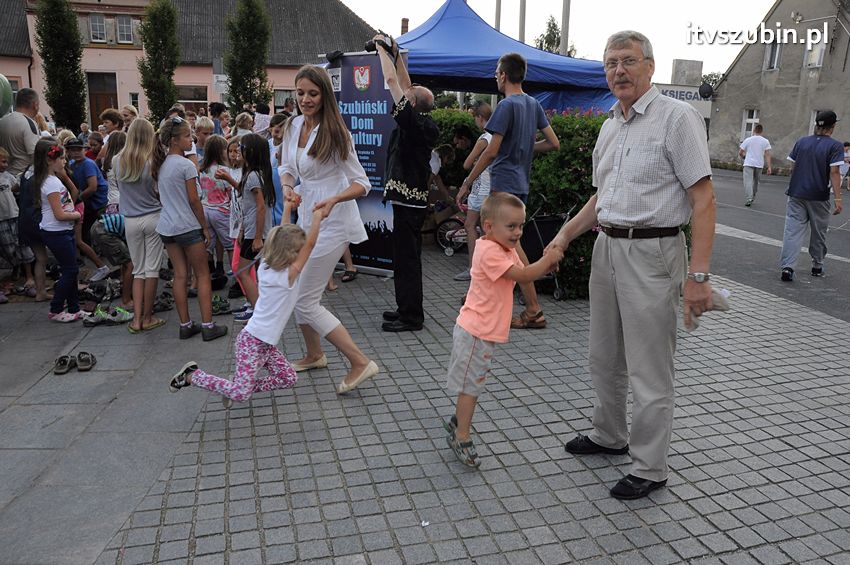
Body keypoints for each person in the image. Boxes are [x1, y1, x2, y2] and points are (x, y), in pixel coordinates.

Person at [547, 30, 716, 500]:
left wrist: (698, 277)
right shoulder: (610, 126)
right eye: (610, 63)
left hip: (654, 252)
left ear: (650, 67)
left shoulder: (676, 119)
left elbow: (703, 199)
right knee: (604, 355)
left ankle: (650, 466)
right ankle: (609, 435)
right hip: (608, 248)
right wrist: (564, 235)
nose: (618, 71)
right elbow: (603, 197)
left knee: (649, 367)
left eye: (628, 61)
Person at [443, 193, 563, 467]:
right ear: (488, 227)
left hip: (482, 332)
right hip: (475, 333)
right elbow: (524, 276)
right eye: (511, 227)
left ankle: (458, 421)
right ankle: (461, 435)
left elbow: (528, 270)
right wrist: (550, 258)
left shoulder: (503, 249)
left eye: (520, 226)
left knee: (472, 384)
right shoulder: (488, 252)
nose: (518, 232)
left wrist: (546, 262)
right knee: (471, 387)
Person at [279, 65, 379, 394]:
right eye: (300, 93)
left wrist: (335, 198)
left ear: (324, 96)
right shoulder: (293, 125)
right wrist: (288, 187)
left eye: (312, 93)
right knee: (296, 290)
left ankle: (360, 361)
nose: (305, 99)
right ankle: (314, 353)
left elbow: (361, 183)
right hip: (307, 215)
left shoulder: (336, 132)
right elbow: (288, 168)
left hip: (333, 222)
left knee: (306, 301)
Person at [169, 210, 324, 407]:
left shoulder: (266, 266)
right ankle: (192, 376)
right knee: (241, 395)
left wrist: (287, 206)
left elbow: (281, 235)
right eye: (298, 251)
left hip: (265, 343)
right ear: (290, 254)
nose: (302, 255)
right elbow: (309, 246)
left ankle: (233, 385)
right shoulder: (285, 278)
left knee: (288, 378)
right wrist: (318, 219)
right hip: (253, 342)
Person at [461, 53, 561, 330]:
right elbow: (554, 143)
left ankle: (533, 308)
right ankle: (501, 301)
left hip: (503, 185)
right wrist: (528, 148)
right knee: (507, 248)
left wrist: (468, 181)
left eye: (496, 73)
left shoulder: (505, 106)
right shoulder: (533, 104)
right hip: (522, 186)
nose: (495, 77)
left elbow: (491, 151)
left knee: (510, 249)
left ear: (504, 75)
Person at [373, 33, 440, 332]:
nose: (405, 91)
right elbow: (403, 81)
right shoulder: (421, 120)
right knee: (404, 257)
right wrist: (397, 53)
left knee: (408, 259)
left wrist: (380, 50)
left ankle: (412, 316)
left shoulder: (415, 122)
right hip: (409, 200)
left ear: (413, 104)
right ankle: (405, 308)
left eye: (409, 94)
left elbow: (391, 82)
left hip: (409, 201)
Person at [154, 117, 227, 341]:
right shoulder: (186, 165)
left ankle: (185, 324)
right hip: (187, 225)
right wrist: (205, 228)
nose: (191, 139)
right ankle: (207, 324)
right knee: (203, 274)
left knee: (180, 275)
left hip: (167, 225)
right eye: (187, 136)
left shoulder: (161, 164)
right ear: (175, 140)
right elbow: (195, 200)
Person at [114, 118, 166, 333]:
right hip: (153, 217)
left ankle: (136, 319)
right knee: (152, 269)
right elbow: (158, 191)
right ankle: (147, 317)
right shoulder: (152, 161)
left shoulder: (117, 160)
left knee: (138, 270)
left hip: (130, 219)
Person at [779, 110, 844, 281]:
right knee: (818, 231)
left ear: (816, 124)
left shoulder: (801, 142)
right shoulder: (835, 146)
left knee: (792, 231)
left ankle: (787, 267)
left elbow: (792, 167)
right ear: (832, 126)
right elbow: (835, 172)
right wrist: (838, 198)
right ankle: (817, 265)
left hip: (796, 193)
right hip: (818, 195)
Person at [35, 140, 85, 322]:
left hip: (61, 231)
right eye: (62, 158)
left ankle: (74, 308)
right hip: (56, 231)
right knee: (70, 271)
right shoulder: (50, 184)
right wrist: (76, 215)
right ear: (50, 160)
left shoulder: (53, 180)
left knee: (70, 270)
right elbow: (59, 214)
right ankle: (55, 309)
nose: (65, 161)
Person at [233, 133, 275, 322]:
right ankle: (257, 307)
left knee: (242, 272)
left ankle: (258, 312)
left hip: (256, 233)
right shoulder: (254, 175)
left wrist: (257, 237)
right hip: (252, 231)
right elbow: (249, 207)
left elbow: (260, 207)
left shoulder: (253, 177)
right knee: (256, 271)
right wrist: (243, 229)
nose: (237, 151)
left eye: (241, 147)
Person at [454, 102, 493, 281]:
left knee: (470, 225)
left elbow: (467, 164)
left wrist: (476, 158)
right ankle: (487, 268)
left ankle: (472, 267)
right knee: (487, 231)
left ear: (480, 117)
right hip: (492, 187)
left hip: (479, 187)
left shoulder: (484, 138)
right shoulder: (498, 137)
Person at [0, 147, 36, 301]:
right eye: (2, 161)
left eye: (6, 161)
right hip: (1, 218)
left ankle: (29, 276)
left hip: (14, 215)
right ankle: (16, 267)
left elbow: (17, 188)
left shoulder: (8, 177)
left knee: (23, 245)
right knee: (8, 247)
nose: (5, 164)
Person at [198, 135, 234, 279]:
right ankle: (238, 278)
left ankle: (203, 276)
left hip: (205, 209)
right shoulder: (224, 171)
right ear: (221, 151)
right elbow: (230, 193)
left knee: (208, 245)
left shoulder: (202, 170)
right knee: (230, 246)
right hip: (221, 211)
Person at [0, 87, 41, 177]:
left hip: (4, 175)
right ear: (35, 105)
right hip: (22, 176)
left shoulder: (2, 121)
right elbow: (35, 154)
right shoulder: (29, 123)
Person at [739, 123, 772, 206]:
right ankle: (752, 196)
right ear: (761, 131)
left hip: (749, 163)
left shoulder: (748, 140)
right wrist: (769, 167)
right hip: (759, 164)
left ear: (754, 130)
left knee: (748, 181)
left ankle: (749, 198)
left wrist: (744, 156)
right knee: (756, 182)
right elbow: (767, 154)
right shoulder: (765, 141)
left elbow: (740, 152)